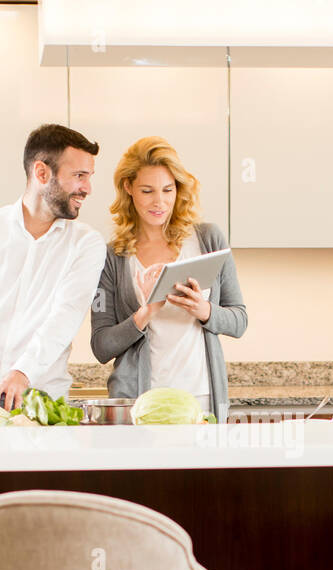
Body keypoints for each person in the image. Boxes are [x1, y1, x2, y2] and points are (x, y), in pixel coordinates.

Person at [0, 124, 107, 426]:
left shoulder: (86, 244)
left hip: (44, 409)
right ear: (41, 173)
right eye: (79, 176)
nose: (87, 188)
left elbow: (65, 316)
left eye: (89, 177)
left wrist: (22, 373)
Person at [90, 136, 247, 422]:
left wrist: (204, 310)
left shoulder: (208, 239)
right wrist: (145, 312)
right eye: (147, 191)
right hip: (140, 403)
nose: (159, 202)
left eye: (168, 189)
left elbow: (239, 321)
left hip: (202, 397)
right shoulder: (113, 256)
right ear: (129, 188)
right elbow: (101, 346)